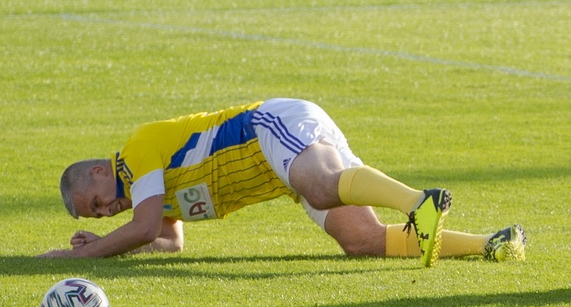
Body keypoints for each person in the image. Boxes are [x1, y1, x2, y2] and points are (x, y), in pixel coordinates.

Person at [39, 98, 526, 266]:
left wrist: (85, 254)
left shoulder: (136, 152)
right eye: (98, 216)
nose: (106, 212)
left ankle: (419, 201)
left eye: (97, 203)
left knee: (322, 185)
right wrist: (108, 243)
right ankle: (492, 245)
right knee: (360, 240)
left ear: (100, 172)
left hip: (269, 126)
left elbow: (144, 227)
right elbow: (166, 240)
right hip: (283, 171)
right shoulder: (149, 192)